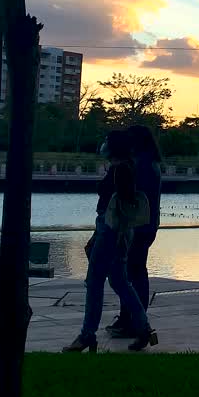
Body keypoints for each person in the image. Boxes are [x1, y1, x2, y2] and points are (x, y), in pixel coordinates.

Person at [63, 130, 155, 352]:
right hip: (115, 231)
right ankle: (144, 330)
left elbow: (118, 207)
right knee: (119, 282)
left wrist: (106, 234)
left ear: (114, 146)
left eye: (106, 141)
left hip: (111, 231)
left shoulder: (121, 169)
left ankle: (87, 335)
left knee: (94, 282)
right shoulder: (124, 167)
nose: (102, 144)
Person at [107, 124, 163, 338]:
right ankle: (129, 317)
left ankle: (134, 320)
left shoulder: (142, 165)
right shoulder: (151, 163)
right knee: (134, 271)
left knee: (133, 273)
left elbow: (134, 196)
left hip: (138, 226)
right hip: (147, 225)